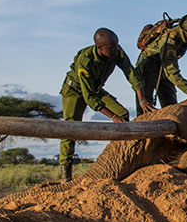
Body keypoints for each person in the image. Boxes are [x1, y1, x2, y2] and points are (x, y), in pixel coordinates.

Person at [59, 28, 155, 182]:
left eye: (116, 46)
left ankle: (117, 160)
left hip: (96, 89)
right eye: (111, 48)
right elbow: (88, 96)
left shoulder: (116, 50)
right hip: (75, 91)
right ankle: (66, 173)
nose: (115, 49)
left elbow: (131, 73)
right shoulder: (85, 60)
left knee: (123, 115)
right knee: (71, 128)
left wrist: (142, 99)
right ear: (99, 48)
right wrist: (112, 116)